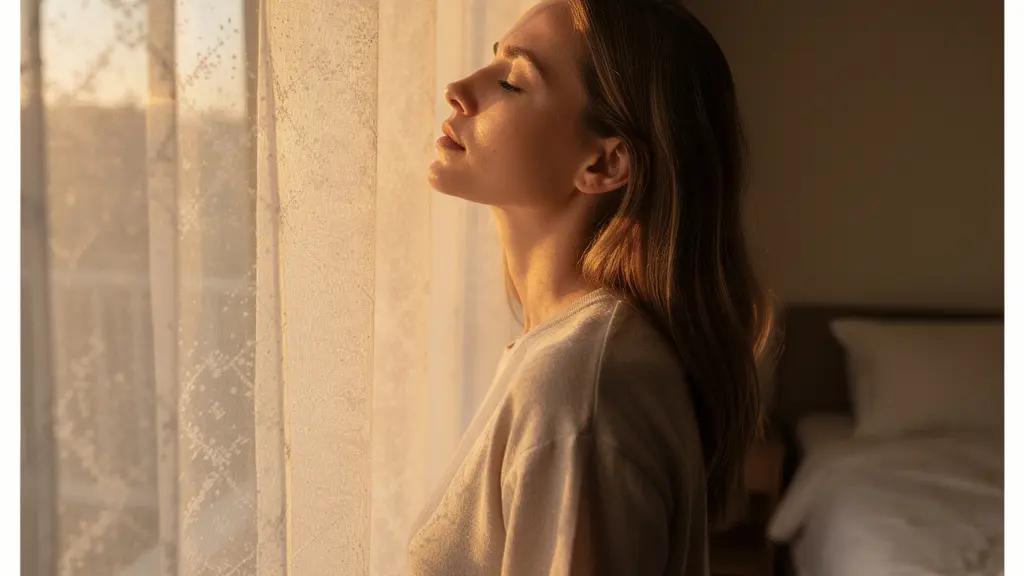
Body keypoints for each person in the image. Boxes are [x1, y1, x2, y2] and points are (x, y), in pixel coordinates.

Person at [408, 0, 774, 574]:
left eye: (511, 81)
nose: (458, 89)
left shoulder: (576, 389)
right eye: (493, 62)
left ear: (605, 165)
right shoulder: (576, 355)